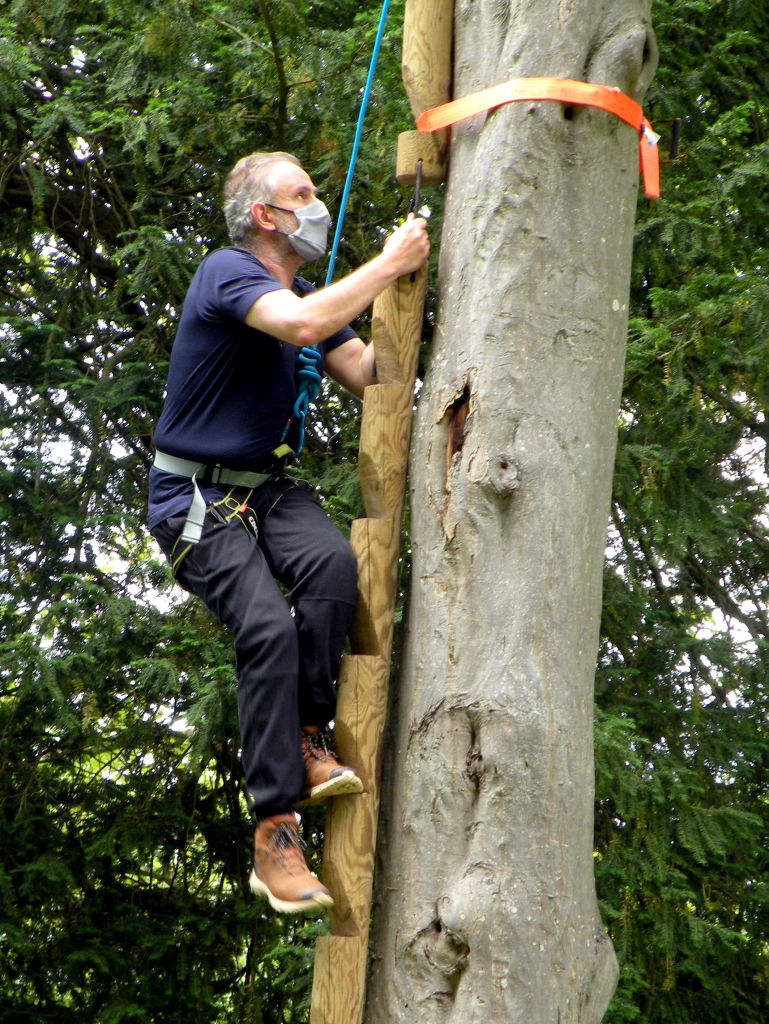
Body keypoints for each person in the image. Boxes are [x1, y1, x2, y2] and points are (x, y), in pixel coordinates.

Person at [147, 151, 429, 914]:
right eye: (301, 194)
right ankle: (275, 828)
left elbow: (365, 369)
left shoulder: (303, 288)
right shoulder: (229, 274)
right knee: (266, 627)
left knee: (334, 570)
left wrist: (420, 293)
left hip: (266, 491)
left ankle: (308, 737)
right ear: (265, 216)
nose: (317, 204)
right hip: (195, 496)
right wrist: (385, 262)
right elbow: (301, 326)